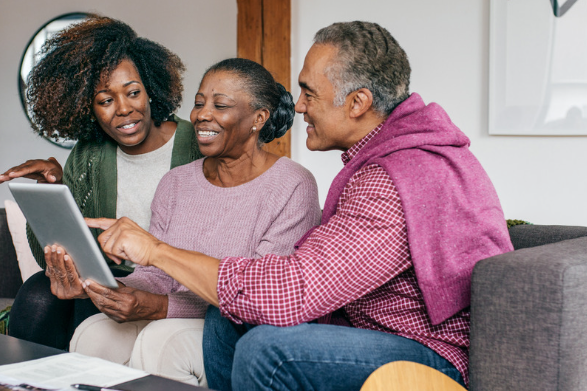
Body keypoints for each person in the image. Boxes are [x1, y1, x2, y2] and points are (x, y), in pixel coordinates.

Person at [86, 21, 514, 391]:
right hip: (371, 332)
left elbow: (295, 292)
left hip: (429, 355)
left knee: (268, 350)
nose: (300, 105)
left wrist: (157, 250)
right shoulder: (386, 159)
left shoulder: (397, 176)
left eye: (309, 92)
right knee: (227, 318)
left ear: (358, 102)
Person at [68, 58, 321, 386]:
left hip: (234, 328)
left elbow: (259, 298)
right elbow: (156, 276)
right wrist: (112, 289)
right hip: (173, 312)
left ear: (259, 118)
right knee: (94, 335)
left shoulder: (293, 184)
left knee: (162, 343)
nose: (202, 114)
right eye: (199, 103)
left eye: (220, 105)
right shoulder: (175, 182)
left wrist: (161, 307)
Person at [0, 15, 202, 350]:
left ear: (150, 89)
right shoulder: (88, 156)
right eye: (105, 100)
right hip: (108, 280)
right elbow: (45, 255)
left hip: (174, 281)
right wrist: (53, 189)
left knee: (87, 307)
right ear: (89, 108)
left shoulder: (197, 145)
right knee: (38, 292)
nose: (123, 109)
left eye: (133, 92)